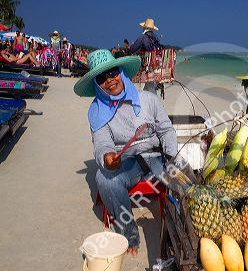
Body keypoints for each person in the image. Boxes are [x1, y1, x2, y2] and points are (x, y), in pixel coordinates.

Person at [73, 49, 178, 256]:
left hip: (155, 154)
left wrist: (173, 157)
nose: (109, 80)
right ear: (96, 85)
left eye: (112, 73)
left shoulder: (148, 99)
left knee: (186, 179)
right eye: (102, 78)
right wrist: (107, 157)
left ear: (121, 71)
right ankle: (129, 235)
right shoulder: (96, 111)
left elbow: (166, 130)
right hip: (128, 159)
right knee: (105, 179)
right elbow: (102, 142)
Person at [129, 18, 163, 94]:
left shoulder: (142, 37)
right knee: (149, 88)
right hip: (157, 67)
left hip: (147, 66)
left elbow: (132, 49)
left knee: (150, 88)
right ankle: (151, 103)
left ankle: (154, 103)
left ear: (144, 27)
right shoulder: (156, 38)